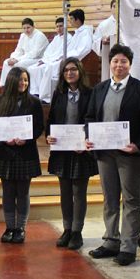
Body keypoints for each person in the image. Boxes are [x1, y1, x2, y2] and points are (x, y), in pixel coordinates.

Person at [85, 44, 140, 266]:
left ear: (130, 64)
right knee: (110, 199)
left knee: (131, 199)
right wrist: (90, 136)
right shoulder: (100, 88)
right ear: (110, 63)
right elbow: (90, 117)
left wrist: (138, 147)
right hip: (105, 154)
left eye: (123, 61)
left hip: (129, 155)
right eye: (115, 61)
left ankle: (128, 246)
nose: (119, 65)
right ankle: (111, 240)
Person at [0, 67, 44, 243]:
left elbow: (39, 126)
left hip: (26, 153)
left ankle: (20, 228)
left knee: (23, 191)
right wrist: (5, 139)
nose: (24, 83)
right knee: (8, 191)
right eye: (20, 80)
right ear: (11, 81)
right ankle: (9, 227)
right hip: (6, 152)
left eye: (26, 80)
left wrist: (26, 139)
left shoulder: (34, 102)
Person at [46, 58, 97, 250]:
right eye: (66, 70)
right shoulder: (59, 93)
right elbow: (51, 119)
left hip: (81, 151)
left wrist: (85, 140)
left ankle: (77, 231)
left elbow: (93, 119)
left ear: (80, 72)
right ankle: (67, 229)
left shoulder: (90, 94)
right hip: (62, 151)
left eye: (73, 69)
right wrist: (49, 136)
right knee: (65, 192)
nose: (70, 73)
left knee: (79, 191)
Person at [26, 17, 67, 103]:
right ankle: (35, 92)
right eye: (57, 26)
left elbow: (62, 53)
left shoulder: (68, 38)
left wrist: (49, 61)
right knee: (32, 68)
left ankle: (45, 96)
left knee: (47, 69)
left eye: (61, 26)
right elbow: (48, 52)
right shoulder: (56, 38)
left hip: (56, 61)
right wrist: (44, 60)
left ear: (65, 26)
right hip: (48, 60)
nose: (59, 28)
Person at [0, 18, 48, 87]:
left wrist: (17, 60)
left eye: (28, 27)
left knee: (20, 64)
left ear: (33, 27)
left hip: (38, 59)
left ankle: (19, 86)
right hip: (25, 58)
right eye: (24, 28)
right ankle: (6, 86)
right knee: (6, 62)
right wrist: (13, 58)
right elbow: (19, 50)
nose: (26, 30)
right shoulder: (23, 36)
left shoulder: (40, 36)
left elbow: (34, 54)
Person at [93, 0, 117, 81]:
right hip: (108, 58)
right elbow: (95, 41)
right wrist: (101, 41)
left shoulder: (127, 23)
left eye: (119, 6)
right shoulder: (104, 25)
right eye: (114, 6)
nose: (116, 9)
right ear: (111, 8)